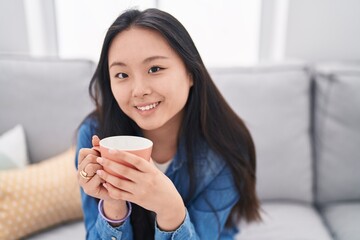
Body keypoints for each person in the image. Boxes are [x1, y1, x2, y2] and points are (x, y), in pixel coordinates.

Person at [76, 8, 261, 240]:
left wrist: (171, 210)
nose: (139, 90)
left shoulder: (227, 147)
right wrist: (113, 204)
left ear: (190, 73)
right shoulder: (95, 134)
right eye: (122, 75)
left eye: (155, 69)